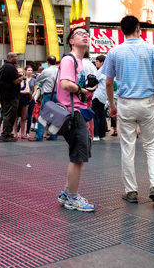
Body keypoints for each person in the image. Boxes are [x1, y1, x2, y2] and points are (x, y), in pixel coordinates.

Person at [104, 16, 154, 204]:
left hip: (125, 103)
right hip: (147, 102)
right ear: (138, 28)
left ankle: (131, 191)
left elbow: (109, 82)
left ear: (121, 31)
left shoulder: (114, 51)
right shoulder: (151, 49)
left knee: (127, 147)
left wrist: (112, 104)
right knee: (151, 146)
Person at [56, 28, 96, 212]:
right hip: (73, 112)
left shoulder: (79, 62)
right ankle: (72, 197)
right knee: (77, 156)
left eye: (86, 33)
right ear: (71, 41)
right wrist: (82, 91)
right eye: (79, 33)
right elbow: (65, 84)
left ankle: (66, 193)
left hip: (78, 111)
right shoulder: (68, 60)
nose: (85, 35)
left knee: (79, 154)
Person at [30, 56, 59, 141]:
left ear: (48, 62)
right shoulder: (59, 71)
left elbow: (38, 79)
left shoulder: (46, 71)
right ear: (56, 62)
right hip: (58, 95)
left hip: (48, 95)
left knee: (42, 115)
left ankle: (39, 136)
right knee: (55, 115)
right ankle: (54, 135)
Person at [0, 52, 25, 142]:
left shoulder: (5, 66)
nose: (17, 58)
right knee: (10, 115)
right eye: (15, 56)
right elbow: (16, 81)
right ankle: (6, 135)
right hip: (10, 96)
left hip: (5, 95)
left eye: (17, 56)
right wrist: (22, 78)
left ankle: (7, 133)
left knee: (8, 115)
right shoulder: (10, 67)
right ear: (9, 58)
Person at [92, 55, 108, 141]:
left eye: (97, 61)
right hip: (104, 95)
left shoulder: (101, 71)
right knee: (101, 115)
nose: (95, 63)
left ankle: (95, 134)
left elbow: (94, 79)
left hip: (98, 95)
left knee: (93, 114)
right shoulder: (107, 70)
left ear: (102, 62)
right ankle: (102, 134)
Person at [17, 66, 33, 138]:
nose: (20, 73)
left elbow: (28, 91)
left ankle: (22, 134)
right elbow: (15, 92)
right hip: (17, 100)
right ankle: (15, 133)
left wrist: (20, 91)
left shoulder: (25, 80)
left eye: (21, 72)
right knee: (16, 118)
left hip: (24, 100)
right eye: (19, 72)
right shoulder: (16, 80)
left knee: (24, 118)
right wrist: (23, 91)